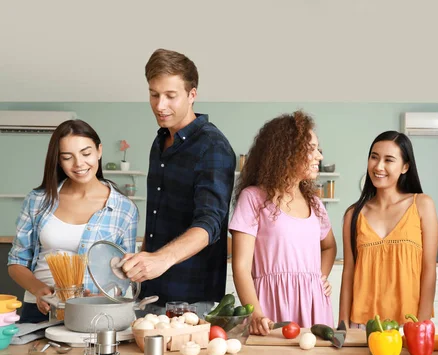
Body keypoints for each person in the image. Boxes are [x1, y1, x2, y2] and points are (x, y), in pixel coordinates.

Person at [120, 49, 236, 317]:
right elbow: (162, 217)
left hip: (190, 301)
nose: (160, 105)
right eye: (154, 94)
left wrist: (162, 259)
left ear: (192, 95)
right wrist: (142, 259)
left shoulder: (213, 146)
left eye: (171, 96)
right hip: (149, 293)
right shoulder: (160, 141)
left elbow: (210, 224)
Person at [8, 119, 138, 323]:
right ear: (59, 161)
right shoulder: (37, 200)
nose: (79, 164)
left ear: (99, 151)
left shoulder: (124, 209)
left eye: (86, 154)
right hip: (42, 310)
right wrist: (39, 290)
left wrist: (104, 298)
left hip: (96, 313)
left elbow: (125, 272)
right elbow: (16, 263)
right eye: (68, 157)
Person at [229, 111, 336, 335]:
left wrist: (321, 277)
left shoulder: (315, 203)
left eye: (318, 149)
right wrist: (255, 313)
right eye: (311, 149)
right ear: (287, 152)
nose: (319, 156)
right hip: (270, 307)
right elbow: (241, 267)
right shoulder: (253, 198)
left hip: (315, 306)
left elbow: (329, 246)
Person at [338, 131, 438, 328]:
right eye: (374, 157)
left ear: (405, 167)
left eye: (389, 160)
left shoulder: (422, 205)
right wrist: (342, 326)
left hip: (408, 324)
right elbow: (348, 273)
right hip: (362, 324)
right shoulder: (353, 214)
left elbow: (429, 270)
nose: (378, 166)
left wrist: (422, 324)